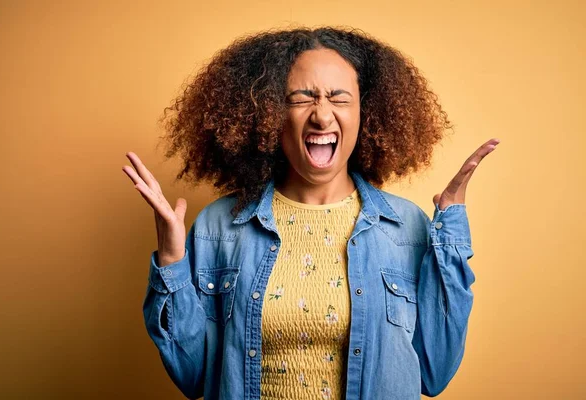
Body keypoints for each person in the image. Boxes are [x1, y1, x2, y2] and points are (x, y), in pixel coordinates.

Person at [122, 26, 499, 400]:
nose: (321, 115)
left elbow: (434, 374)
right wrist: (171, 258)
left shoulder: (407, 228)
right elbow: (192, 376)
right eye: (301, 98)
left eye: (339, 98)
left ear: (365, 114)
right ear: (269, 115)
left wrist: (449, 229)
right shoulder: (219, 227)